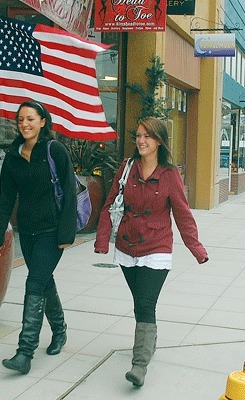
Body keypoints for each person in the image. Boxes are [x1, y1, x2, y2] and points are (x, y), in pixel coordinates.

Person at [94, 117, 208, 387]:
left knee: (146, 304)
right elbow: (110, 204)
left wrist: (196, 248)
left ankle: (139, 364)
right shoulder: (127, 167)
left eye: (148, 136)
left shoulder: (169, 174)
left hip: (157, 247)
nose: (142, 140)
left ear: (159, 141)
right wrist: (102, 241)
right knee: (140, 304)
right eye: (139, 135)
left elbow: (182, 213)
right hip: (126, 246)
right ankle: (150, 341)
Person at [0, 100, 77, 374]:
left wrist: (66, 233)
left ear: (42, 121)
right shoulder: (13, 156)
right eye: (20, 120)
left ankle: (25, 352)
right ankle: (60, 329)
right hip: (26, 233)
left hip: (52, 233)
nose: (25, 124)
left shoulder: (54, 150)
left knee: (34, 282)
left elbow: (70, 192)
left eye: (30, 118)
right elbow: (5, 198)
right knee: (44, 281)